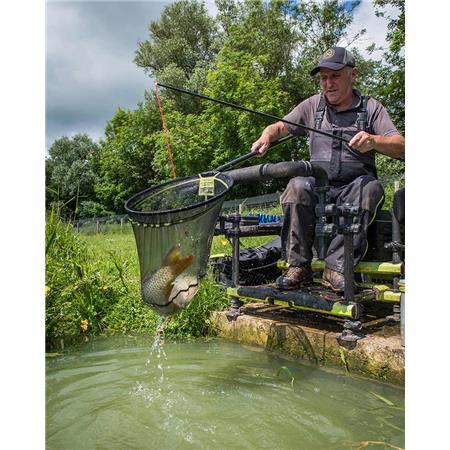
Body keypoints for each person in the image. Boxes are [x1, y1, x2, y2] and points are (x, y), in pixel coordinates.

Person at [251, 47, 405, 292]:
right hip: (319, 186)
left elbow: (400, 145)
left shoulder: (371, 108)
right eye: (323, 77)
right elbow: (280, 126)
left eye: (335, 76)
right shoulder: (313, 106)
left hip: (355, 187)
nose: (328, 84)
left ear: (353, 75)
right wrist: (267, 135)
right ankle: (298, 266)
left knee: (370, 188)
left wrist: (374, 141)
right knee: (296, 185)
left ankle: (336, 270)